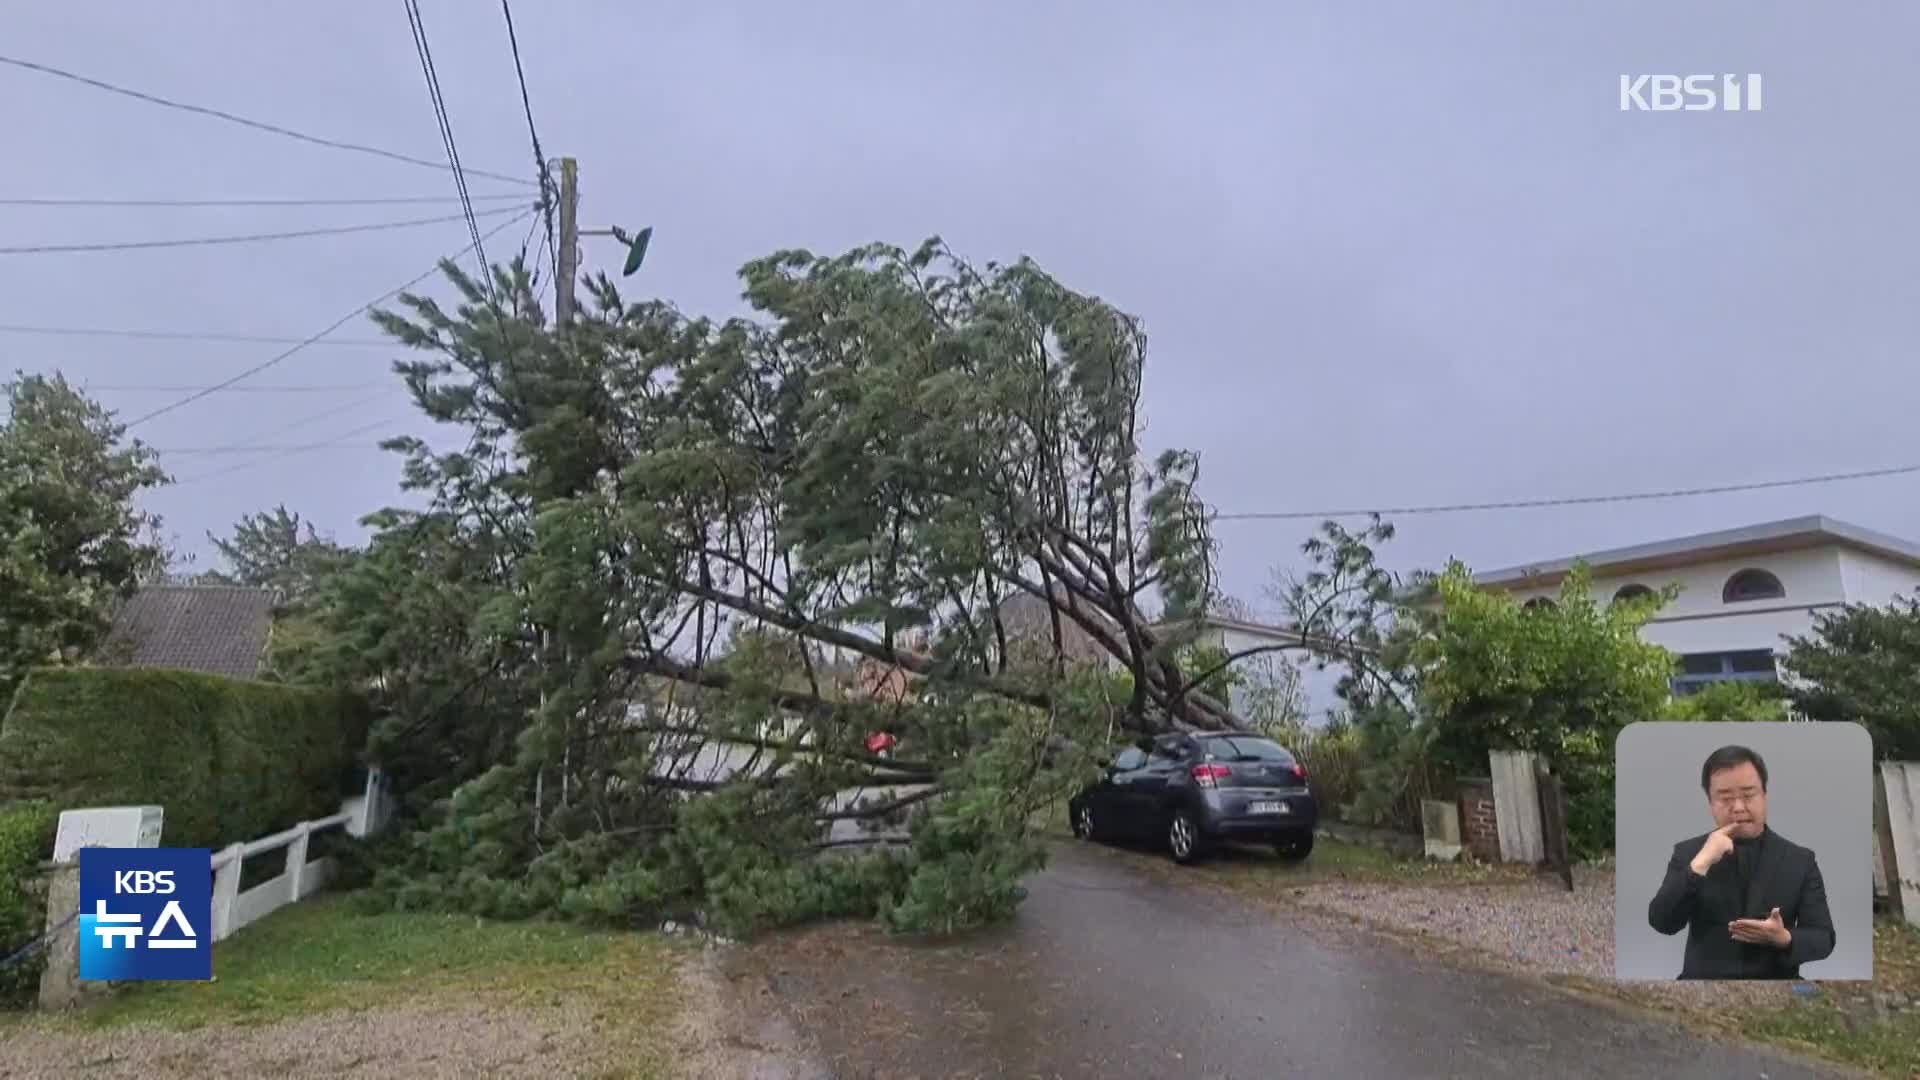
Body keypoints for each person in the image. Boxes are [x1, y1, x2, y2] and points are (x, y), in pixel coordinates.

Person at [1646, 744, 1835, 979]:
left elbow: (1824, 937)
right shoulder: (1689, 853)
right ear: (1710, 802)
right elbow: (1662, 922)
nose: (1738, 807)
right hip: (1703, 987)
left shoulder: (1800, 860)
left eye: (1748, 795)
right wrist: (1701, 863)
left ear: (1764, 795)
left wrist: (1784, 938)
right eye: (1725, 798)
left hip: (1775, 988)